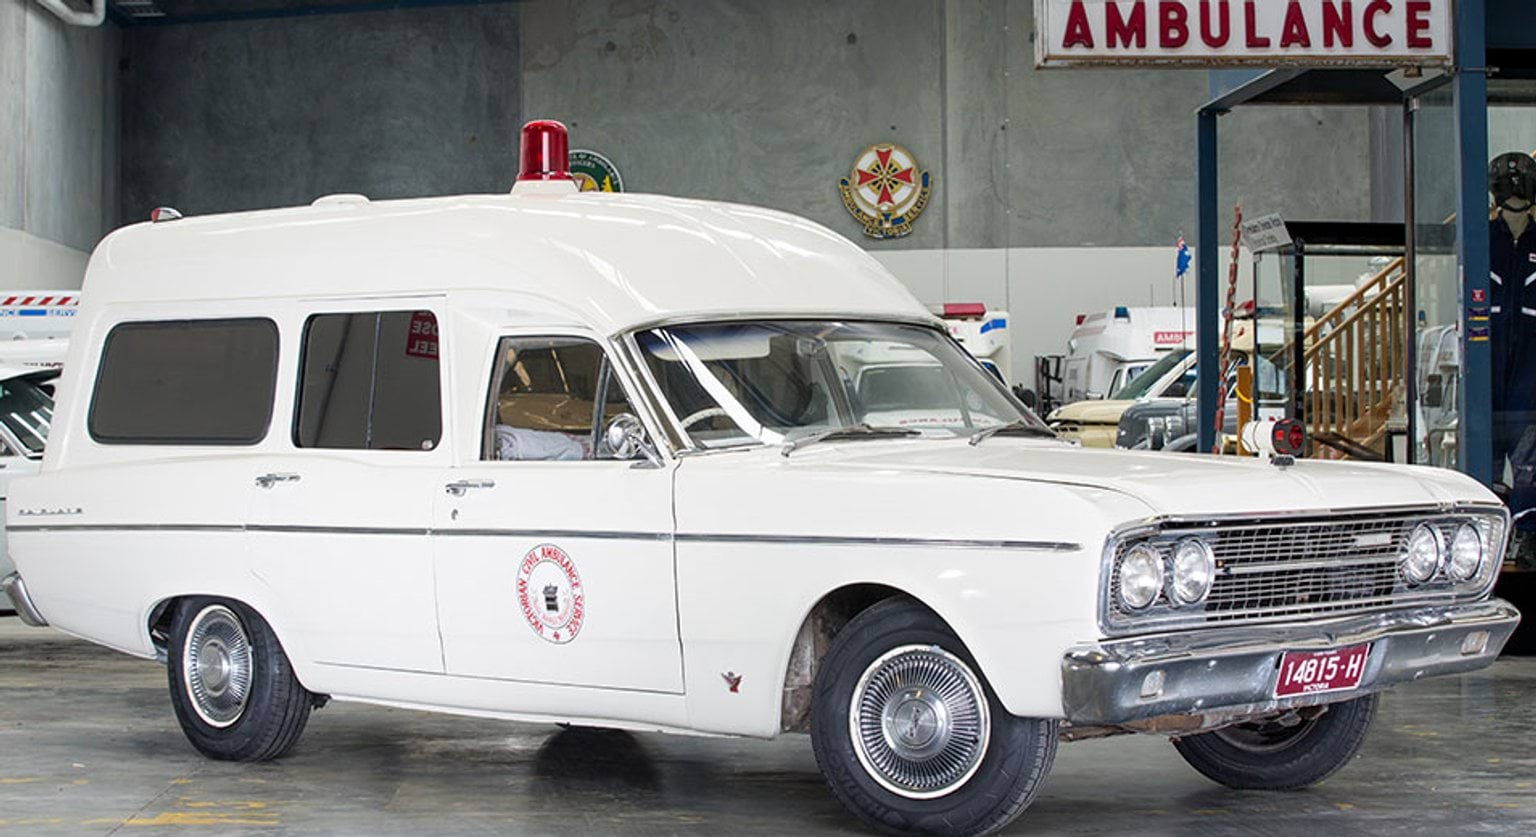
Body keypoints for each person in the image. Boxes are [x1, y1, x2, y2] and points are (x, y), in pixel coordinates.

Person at [1489, 151, 1536, 563]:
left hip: (1529, 376)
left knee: (1529, 462)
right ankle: (1487, 540)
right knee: (1484, 461)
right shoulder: (1482, 238)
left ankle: (1527, 534)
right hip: (1487, 372)